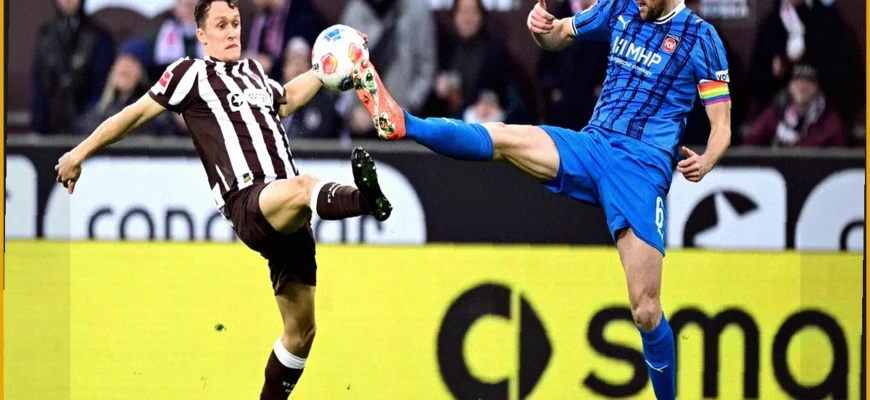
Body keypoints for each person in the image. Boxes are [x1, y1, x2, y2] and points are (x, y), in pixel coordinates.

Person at [352, 0, 732, 397]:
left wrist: (707, 159)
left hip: (640, 170)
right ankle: (403, 122)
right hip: (593, 147)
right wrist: (541, 30)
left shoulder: (701, 39)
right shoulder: (621, 7)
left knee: (646, 309)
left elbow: (721, 124)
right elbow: (559, 35)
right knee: (505, 137)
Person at [53, 1, 393, 399]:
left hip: (288, 213)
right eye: (221, 25)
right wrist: (79, 154)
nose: (232, 31)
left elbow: (287, 99)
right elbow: (132, 115)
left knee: (301, 333)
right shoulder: (189, 74)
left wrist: (328, 67)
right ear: (202, 35)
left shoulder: (253, 72)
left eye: (235, 23)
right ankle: (365, 201)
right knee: (305, 187)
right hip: (248, 201)